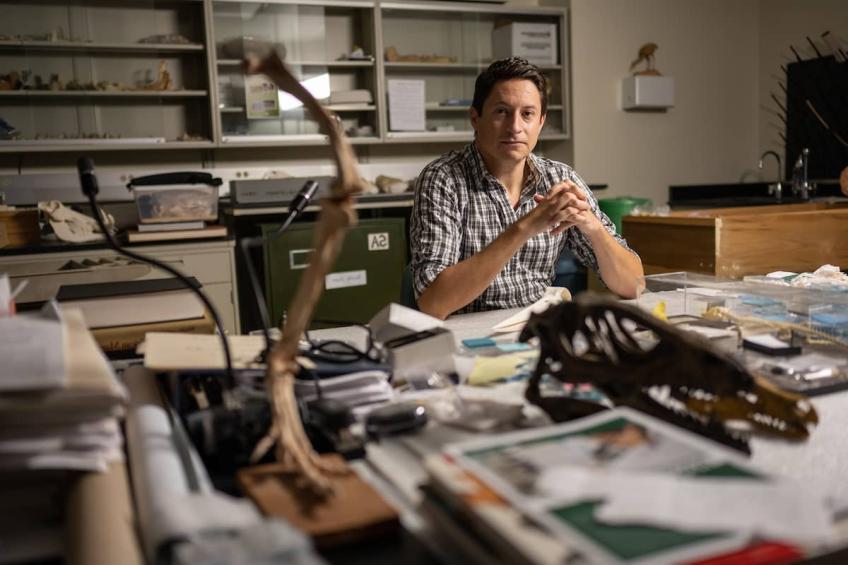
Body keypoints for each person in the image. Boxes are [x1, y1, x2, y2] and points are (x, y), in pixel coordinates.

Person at [410, 57, 644, 319]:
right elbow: (433, 303)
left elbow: (633, 285)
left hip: (536, 332)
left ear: (541, 121)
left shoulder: (560, 178)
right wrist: (524, 227)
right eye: (501, 112)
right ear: (475, 118)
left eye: (527, 114)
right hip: (467, 337)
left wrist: (594, 228)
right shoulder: (443, 179)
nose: (515, 127)